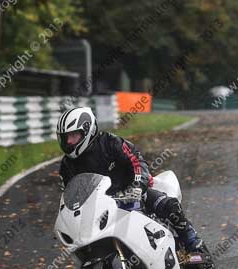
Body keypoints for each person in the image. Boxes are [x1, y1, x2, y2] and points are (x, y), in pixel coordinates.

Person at [56, 106, 204, 253]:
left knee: (167, 204)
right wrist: (68, 221)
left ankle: (192, 241)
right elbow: (70, 197)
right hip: (101, 209)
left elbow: (136, 161)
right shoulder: (66, 165)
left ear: (88, 131)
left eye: (73, 135)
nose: (68, 141)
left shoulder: (110, 143)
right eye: (65, 137)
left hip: (131, 194)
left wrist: (138, 185)